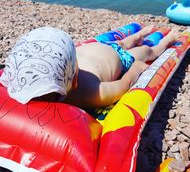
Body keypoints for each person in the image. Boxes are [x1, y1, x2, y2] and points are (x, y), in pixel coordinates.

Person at [0, 25, 179, 109]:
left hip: (100, 48)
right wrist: (136, 69)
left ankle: (139, 34)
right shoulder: (91, 94)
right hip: (121, 58)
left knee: (124, 42)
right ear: (75, 80)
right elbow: (123, 85)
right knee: (147, 51)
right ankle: (166, 42)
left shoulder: (67, 78)